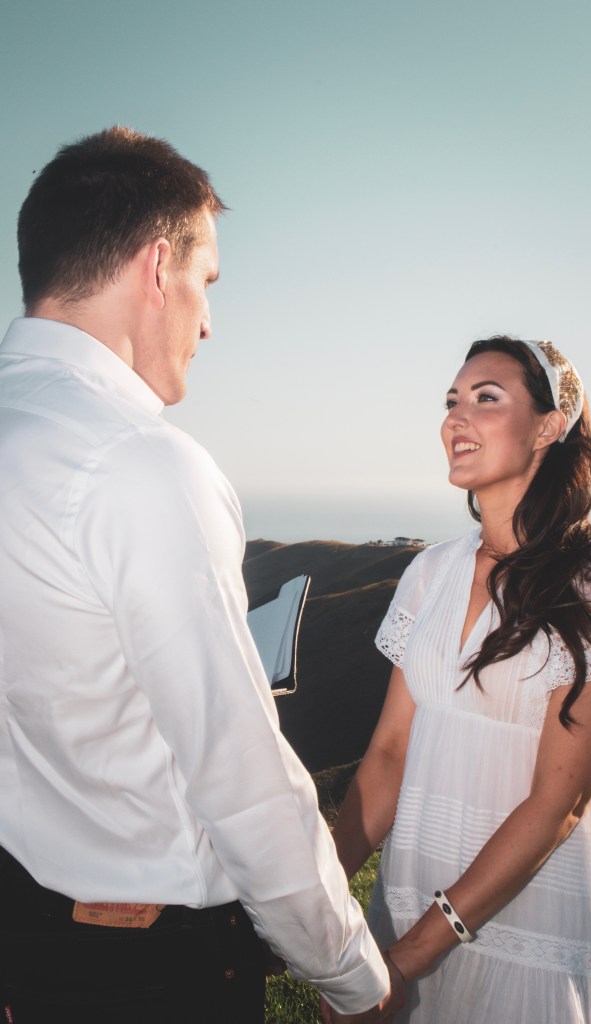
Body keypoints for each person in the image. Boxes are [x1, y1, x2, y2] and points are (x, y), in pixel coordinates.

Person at [0, 126, 405, 1023]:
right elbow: (240, 775)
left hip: (27, 942)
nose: (209, 320)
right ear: (156, 268)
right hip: (151, 971)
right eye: (205, 281)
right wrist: (350, 974)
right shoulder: (139, 464)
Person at [330, 336, 591, 1023]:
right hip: (409, 896)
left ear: (550, 425)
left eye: (486, 399)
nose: (456, 418)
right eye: (451, 402)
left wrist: (410, 957)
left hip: (529, 925)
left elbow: (556, 804)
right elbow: (387, 758)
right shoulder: (428, 574)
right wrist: (315, 895)